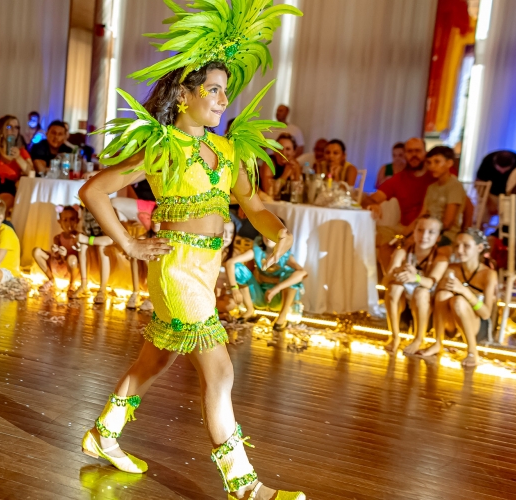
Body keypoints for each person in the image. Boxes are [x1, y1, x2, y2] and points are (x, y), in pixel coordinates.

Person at [79, 1, 305, 498]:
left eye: (225, 90)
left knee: (155, 360)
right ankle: (246, 486)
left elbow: (254, 205)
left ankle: (104, 434)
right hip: (175, 267)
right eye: (214, 90)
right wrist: (129, 244)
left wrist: (280, 232)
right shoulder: (161, 146)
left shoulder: (227, 150)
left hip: (207, 268)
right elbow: (93, 191)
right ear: (184, 95)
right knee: (220, 372)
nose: (224, 99)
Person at [421, 229, 497, 366]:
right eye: (457, 246)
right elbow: (437, 302)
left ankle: (472, 351)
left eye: (466, 246)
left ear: (479, 248)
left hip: (475, 325)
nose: (460, 250)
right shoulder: (451, 269)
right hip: (452, 324)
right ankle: (437, 342)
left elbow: (486, 314)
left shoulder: (488, 274)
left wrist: (465, 291)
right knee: (442, 294)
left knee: (459, 301)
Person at [362, 138, 434, 272]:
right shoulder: (399, 178)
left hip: (427, 229)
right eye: (410, 151)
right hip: (404, 228)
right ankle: (390, 281)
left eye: (418, 151)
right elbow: (370, 199)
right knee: (382, 241)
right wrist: (373, 204)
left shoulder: (434, 176)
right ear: (405, 154)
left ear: (425, 152)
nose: (414, 155)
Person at [382, 216, 448, 355]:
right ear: (414, 232)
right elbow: (385, 282)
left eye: (431, 232)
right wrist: (397, 271)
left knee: (421, 292)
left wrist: (416, 277)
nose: (424, 236)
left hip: (428, 306)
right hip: (404, 302)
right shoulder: (402, 252)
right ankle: (394, 336)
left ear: (438, 238)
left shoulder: (440, 258)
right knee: (394, 288)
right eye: (420, 230)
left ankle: (419, 338)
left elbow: (431, 283)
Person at [225, 234, 307, 343]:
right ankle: (249, 310)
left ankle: (282, 316)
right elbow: (230, 262)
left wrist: (276, 288)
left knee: (292, 274)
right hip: (259, 296)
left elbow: (303, 273)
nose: (268, 237)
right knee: (238, 268)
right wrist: (234, 288)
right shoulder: (257, 251)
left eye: (272, 233)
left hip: (278, 299)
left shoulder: (285, 256)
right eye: (265, 233)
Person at [417, 146, 467, 245]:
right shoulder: (431, 187)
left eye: (437, 162)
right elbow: (422, 214)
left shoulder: (454, 186)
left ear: (449, 163)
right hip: (427, 231)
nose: (432, 166)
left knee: (413, 246)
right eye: (429, 163)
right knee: (399, 242)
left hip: (445, 234)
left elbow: (448, 223)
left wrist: (426, 232)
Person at [33, 206, 80, 295]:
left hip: (72, 269)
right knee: (37, 251)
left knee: (72, 258)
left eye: (72, 219)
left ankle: (72, 284)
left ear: (77, 220)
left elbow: (81, 258)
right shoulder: (58, 238)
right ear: (60, 222)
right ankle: (51, 279)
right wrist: (56, 252)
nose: (68, 223)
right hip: (59, 267)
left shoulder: (79, 237)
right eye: (65, 220)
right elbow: (58, 258)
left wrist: (66, 255)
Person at [259, 133, 301, 200]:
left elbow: (298, 194)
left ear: (294, 152)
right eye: (280, 148)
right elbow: (269, 191)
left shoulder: (294, 165)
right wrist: (285, 175)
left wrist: (297, 173)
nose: (283, 152)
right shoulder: (269, 162)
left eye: (288, 149)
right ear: (274, 151)